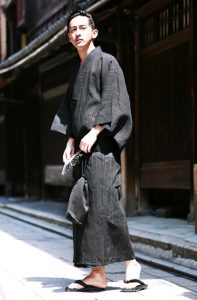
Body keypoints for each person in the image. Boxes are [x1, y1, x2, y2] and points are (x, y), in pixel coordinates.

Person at [51, 10, 147, 293]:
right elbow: (70, 108)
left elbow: (113, 100)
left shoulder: (107, 62)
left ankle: (132, 265)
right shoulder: (75, 71)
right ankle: (97, 274)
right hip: (83, 151)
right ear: (69, 37)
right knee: (87, 209)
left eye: (82, 28)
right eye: (72, 30)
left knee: (107, 205)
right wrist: (70, 139)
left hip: (102, 149)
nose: (77, 32)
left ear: (94, 33)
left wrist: (95, 131)